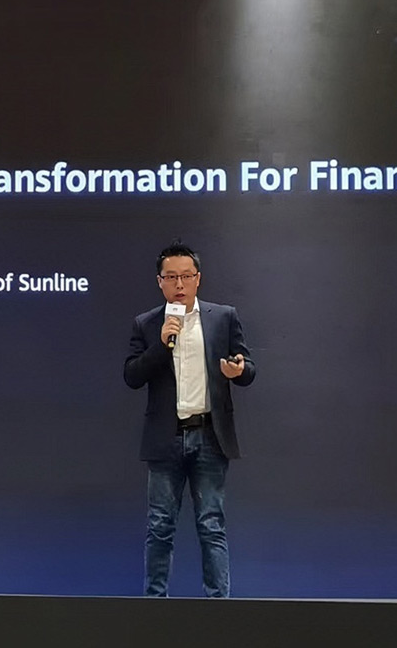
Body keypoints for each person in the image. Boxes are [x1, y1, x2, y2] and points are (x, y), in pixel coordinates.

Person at [123, 241, 255, 597]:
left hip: (210, 435)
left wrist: (238, 370)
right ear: (160, 282)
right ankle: (155, 604)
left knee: (211, 525)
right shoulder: (147, 324)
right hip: (165, 438)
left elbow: (247, 367)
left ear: (198, 278)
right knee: (159, 526)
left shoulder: (223, 317)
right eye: (171, 277)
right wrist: (161, 344)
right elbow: (132, 376)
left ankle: (217, 606)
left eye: (185, 276)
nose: (179, 284)